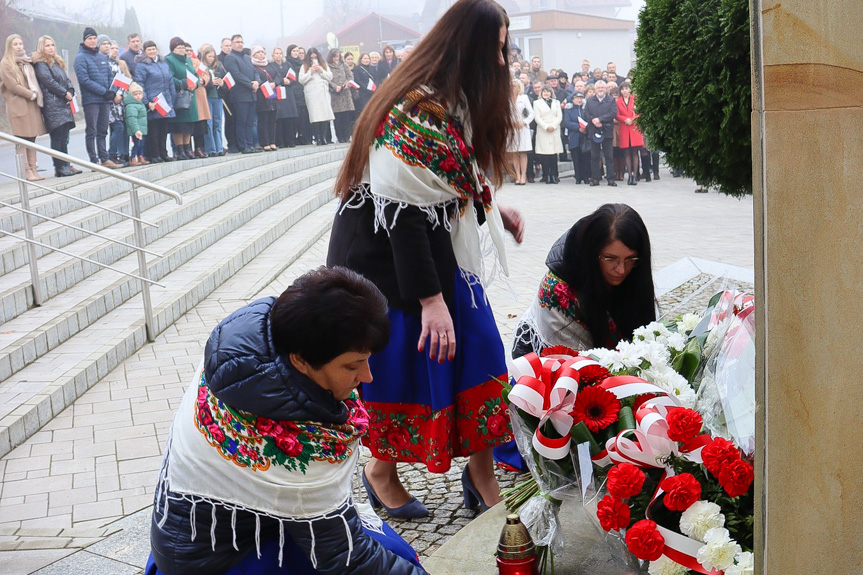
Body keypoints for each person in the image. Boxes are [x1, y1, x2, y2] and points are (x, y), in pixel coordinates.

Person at [327, 0, 524, 519]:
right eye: (497, 48)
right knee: (405, 366)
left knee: (481, 354)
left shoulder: (448, 101)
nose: (503, 61)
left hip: (436, 252)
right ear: (470, 49)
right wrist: (432, 301)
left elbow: (448, 177)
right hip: (391, 265)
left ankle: (480, 474)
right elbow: (404, 211)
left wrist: (489, 206)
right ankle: (381, 472)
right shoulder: (412, 111)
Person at [146, 267, 425, 575]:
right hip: (216, 559)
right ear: (300, 360)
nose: (367, 377)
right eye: (353, 365)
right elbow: (348, 559)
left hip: (191, 529)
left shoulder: (251, 351)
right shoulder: (295, 445)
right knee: (397, 555)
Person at [512, 203, 656, 358]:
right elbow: (571, 364)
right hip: (551, 364)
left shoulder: (636, 271)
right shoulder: (556, 291)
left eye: (630, 259)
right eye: (610, 259)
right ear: (592, 253)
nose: (621, 269)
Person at [32, 34, 81, 178]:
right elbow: (48, 81)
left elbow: (66, 79)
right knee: (58, 137)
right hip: (53, 104)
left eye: (52, 45)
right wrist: (64, 92)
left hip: (64, 104)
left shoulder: (57, 62)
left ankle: (66, 164)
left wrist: (71, 90)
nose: (51, 48)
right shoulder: (41, 64)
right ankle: (60, 166)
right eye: (47, 45)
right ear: (42, 47)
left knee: (64, 137)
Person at [74, 27, 122, 169]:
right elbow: (84, 80)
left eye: (94, 38)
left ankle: (104, 158)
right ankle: (94, 160)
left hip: (105, 100)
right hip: (91, 100)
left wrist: (111, 92)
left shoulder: (102, 57)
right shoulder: (80, 58)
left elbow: (110, 76)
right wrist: (104, 92)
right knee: (92, 130)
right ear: (84, 40)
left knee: (103, 130)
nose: (93, 41)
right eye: (90, 38)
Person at [1, 34, 47, 181]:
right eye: (15, 44)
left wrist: (35, 96)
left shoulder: (27, 62)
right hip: (18, 105)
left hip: (31, 105)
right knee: (21, 139)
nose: (19, 46)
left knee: (32, 137)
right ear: (9, 46)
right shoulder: (6, 63)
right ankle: (26, 171)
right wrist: (30, 94)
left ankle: (34, 169)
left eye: (20, 43)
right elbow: (12, 85)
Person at [133, 40, 175, 163]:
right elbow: (140, 84)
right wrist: (147, 102)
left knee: (163, 130)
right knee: (154, 131)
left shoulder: (163, 63)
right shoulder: (142, 66)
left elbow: (170, 80)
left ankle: (164, 153)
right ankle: (154, 154)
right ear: (144, 52)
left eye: (153, 49)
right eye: (149, 49)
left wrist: (172, 98)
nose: (152, 51)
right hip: (153, 102)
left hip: (165, 101)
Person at [165, 37, 200, 160]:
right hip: (179, 96)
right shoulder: (169, 60)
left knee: (189, 124)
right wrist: (184, 83)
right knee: (179, 125)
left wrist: (196, 83)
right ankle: (179, 150)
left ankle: (187, 148)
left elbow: (195, 75)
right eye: (178, 48)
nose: (181, 50)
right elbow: (170, 77)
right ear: (173, 49)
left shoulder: (188, 60)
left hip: (190, 95)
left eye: (183, 47)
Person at [223, 34, 259, 154]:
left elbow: (255, 72)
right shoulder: (230, 58)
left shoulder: (247, 57)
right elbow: (236, 74)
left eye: (241, 42)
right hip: (240, 95)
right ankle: (242, 145)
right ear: (232, 44)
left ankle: (250, 144)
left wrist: (257, 82)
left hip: (251, 94)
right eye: (237, 42)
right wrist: (250, 84)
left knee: (250, 122)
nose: (240, 44)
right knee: (241, 122)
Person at [103, 35, 131, 166]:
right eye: (111, 47)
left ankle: (119, 154)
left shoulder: (119, 64)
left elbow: (124, 80)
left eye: (116, 48)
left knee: (120, 127)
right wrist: (113, 94)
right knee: (117, 127)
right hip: (109, 100)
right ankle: (112, 154)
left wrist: (120, 93)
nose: (114, 50)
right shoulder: (104, 62)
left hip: (120, 101)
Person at [583, 80, 616, 186]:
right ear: (595, 90)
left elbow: (613, 113)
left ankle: (611, 178)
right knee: (594, 156)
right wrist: (593, 120)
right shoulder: (589, 100)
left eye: (602, 87)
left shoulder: (611, 100)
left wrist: (600, 119)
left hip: (606, 130)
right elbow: (585, 113)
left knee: (609, 156)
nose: (600, 89)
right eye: (598, 88)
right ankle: (595, 178)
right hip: (594, 131)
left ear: (606, 89)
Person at [299, 47, 334, 145]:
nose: (313, 58)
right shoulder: (304, 66)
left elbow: (330, 77)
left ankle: (323, 137)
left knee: (325, 114)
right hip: (312, 93)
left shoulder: (323, 64)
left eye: (315, 56)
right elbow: (301, 80)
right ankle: (318, 137)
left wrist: (320, 70)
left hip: (323, 91)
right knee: (315, 115)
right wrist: (310, 71)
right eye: (311, 56)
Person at [532, 83, 562, 184]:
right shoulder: (537, 103)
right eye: (544, 91)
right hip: (543, 130)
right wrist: (546, 127)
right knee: (545, 154)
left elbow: (559, 116)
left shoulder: (556, 102)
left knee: (553, 154)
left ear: (551, 93)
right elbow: (537, 117)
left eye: (548, 91)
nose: (546, 93)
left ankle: (554, 175)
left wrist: (553, 126)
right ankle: (546, 175)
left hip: (554, 130)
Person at [269, 46, 298, 148]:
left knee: (289, 117)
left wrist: (289, 81)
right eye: (276, 53)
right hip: (278, 93)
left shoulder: (287, 65)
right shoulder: (270, 65)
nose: (279, 55)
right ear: (273, 55)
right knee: (279, 117)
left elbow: (294, 78)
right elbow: (274, 78)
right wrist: (281, 81)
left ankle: (290, 140)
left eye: (280, 53)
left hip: (288, 92)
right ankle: (280, 142)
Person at [199, 44, 225, 156]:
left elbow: (227, 82)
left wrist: (222, 84)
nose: (211, 59)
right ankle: (211, 149)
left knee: (217, 123)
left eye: (213, 57)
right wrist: (211, 83)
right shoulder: (201, 68)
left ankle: (219, 147)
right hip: (207, 98)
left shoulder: (219, 67)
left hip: (217, 97)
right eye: (209, 56)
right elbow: (201, 83)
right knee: (209, 124)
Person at [616, 82, 644, 186]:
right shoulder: (618, 101)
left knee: (635, 152)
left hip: (634, 128)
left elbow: (640, 112)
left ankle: (635, 175)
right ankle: (629, 176)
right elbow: (617, 115)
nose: (625, 91)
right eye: (623, 89)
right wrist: (625, 119)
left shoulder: (635, 99)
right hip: (624, 127)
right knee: (627, 152)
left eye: (626, 89)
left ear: (630, 90)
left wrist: (633, 119)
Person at [250, 45, 277, 151]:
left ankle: (272, 141)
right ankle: (265, 142)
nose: (261, 54)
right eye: (258, 52)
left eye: (262, 52)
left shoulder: (269, 65)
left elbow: (278, 75)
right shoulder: (253, 66)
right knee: (263, 120)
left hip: (272, 95)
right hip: (261, 96)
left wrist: (274, 83)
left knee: (272, 119)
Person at [508, 79, 533, 185]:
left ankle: (523, 175)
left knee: (522, 152)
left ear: (519, 88)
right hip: (511, 128)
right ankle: (517, 175)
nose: (513, 88)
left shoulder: (524, 98)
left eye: (515, 86)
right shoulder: (506, 99)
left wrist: (524, 122)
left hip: (522, 128)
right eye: (512, 86)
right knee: (514, 153)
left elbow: (531, 113)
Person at [327, 48, 355, 143]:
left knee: (346, 117)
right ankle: (340, 137)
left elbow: (350, 76)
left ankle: (346, 136)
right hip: (335, 95)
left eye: (337, 56)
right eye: (334, 56)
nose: (336, 58)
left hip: (345, 94)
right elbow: (327, 79)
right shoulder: (327, 66)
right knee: (338, 118)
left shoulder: (344, 65)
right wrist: (335, 87)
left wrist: (347, 84)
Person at [562, 91, 588, 184]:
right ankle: (578, 177)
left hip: (585, 137)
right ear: (573, 99)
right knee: (576, 158)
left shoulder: (585, 109)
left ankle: (586, 176)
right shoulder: (569, 109)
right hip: (574, 136)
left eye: (581, 98)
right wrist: (578, 127)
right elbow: (566, 122)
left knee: (585, 158)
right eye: (577, 98)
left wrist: (585, 128)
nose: (579, 100)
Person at [285, 44, 309, 145]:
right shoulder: (287, 63)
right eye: (293, 51)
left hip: (302, 91)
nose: (296, 53)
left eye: (297, 51)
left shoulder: (302, 63)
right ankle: (292, 137)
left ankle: (302, 136)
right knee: (294, 116)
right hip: (292, 92)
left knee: (302, 117)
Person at [124, 82, 148, 166]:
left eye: (139, 94)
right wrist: (136, 130)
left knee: (141, 144)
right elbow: (132, 118)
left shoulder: (141, 104)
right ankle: (133, 157)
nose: (138, 96)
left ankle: (140, 156)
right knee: (136, 144)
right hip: (136, 129)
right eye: (135, 94)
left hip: (142, 128)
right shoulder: (131, 106)